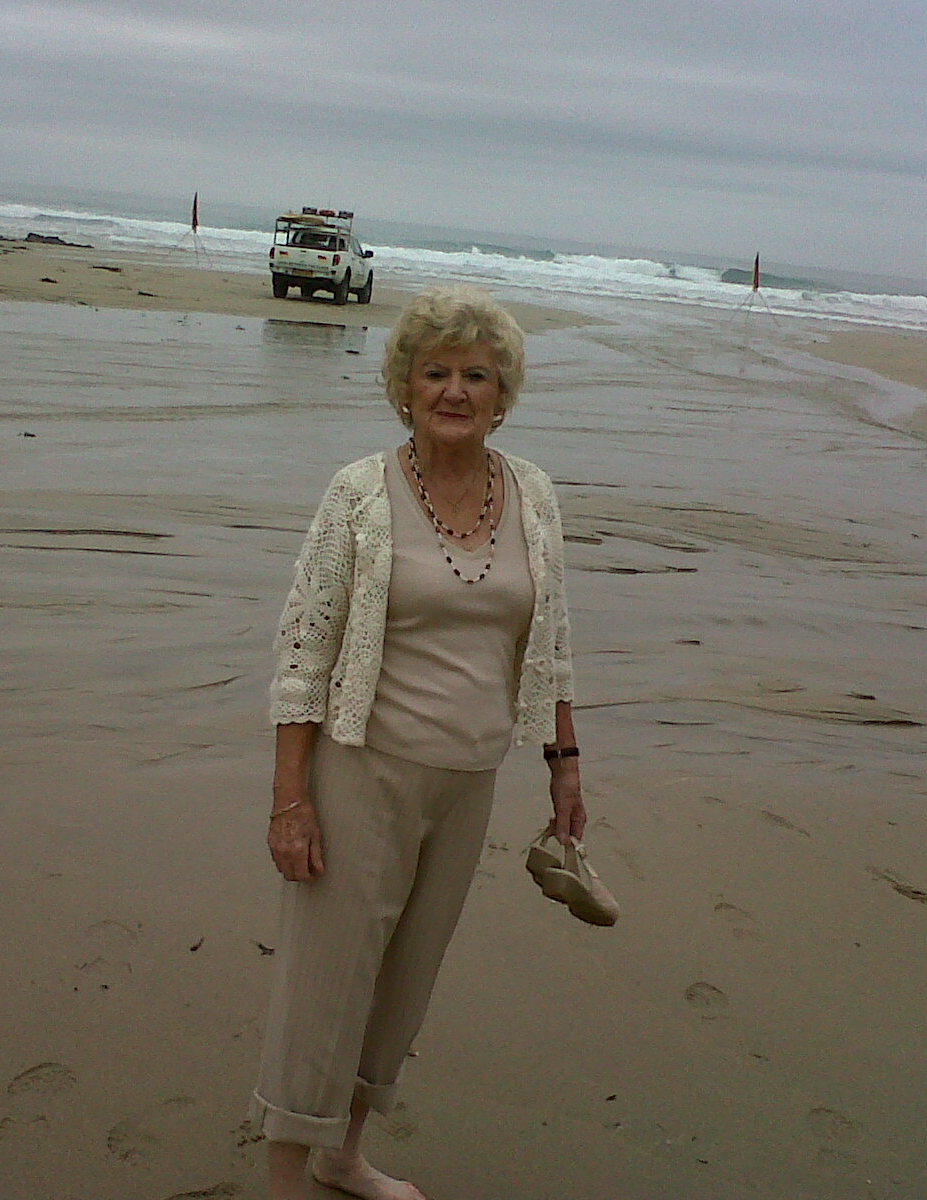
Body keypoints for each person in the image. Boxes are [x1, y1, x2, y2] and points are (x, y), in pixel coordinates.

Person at [251, 285, 585, 1200]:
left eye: (476, 375)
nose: (455, 391)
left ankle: (343, 1155)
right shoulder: (360, 492)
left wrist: (564, 766)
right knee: (324, 988)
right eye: (435, 372)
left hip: (470, 779)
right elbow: (304, 652)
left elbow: (550, 642)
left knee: (405, 982)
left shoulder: (535, 495)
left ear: (502, 394)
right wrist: (291, 800)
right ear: (404, 386)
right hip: (364, 772)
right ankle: (284, 1180)